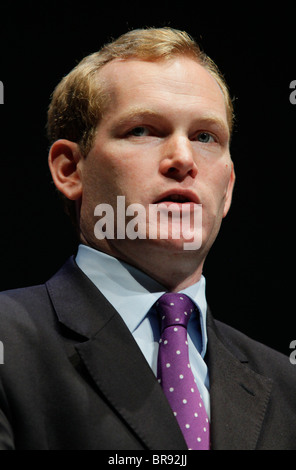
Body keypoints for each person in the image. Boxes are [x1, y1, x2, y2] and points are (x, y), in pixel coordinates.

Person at [0, 27, 295, 451]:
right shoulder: (10, 344)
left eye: (205, 136)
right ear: (70, 169)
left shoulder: (286, 386)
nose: (183, 159)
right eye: (143, 130)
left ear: (227, 188)